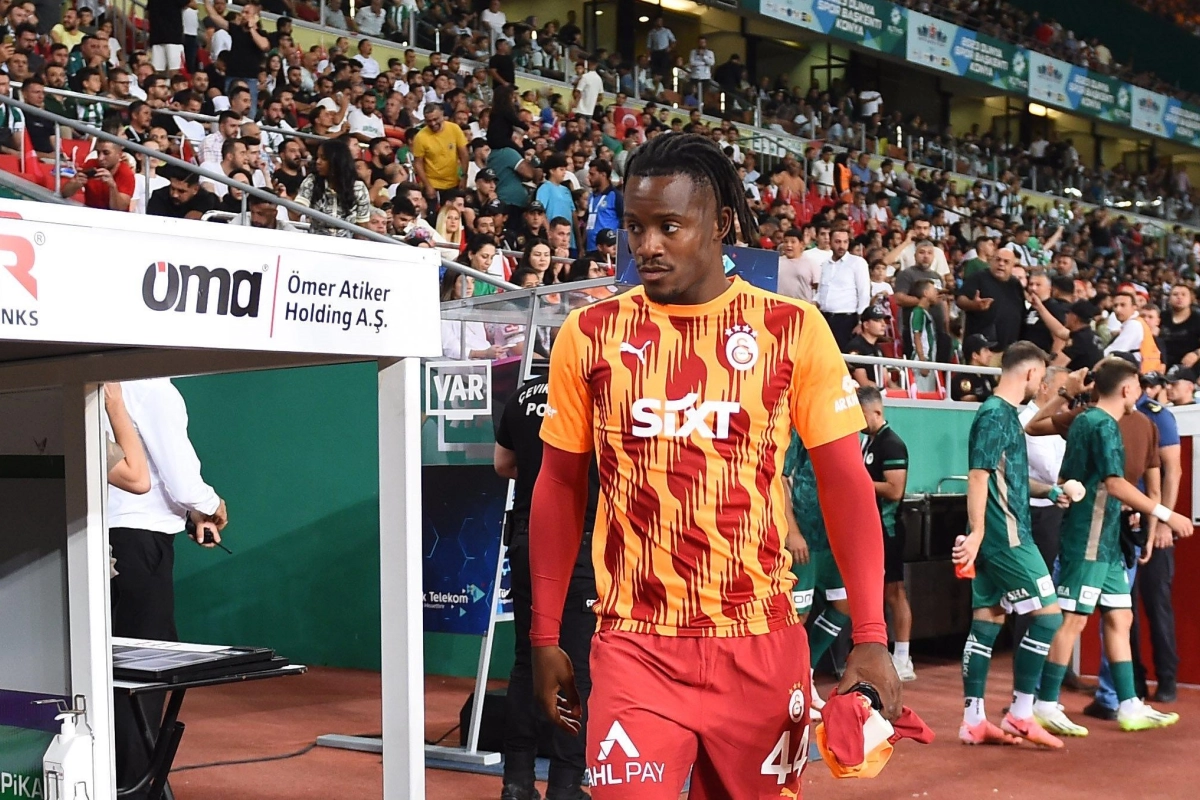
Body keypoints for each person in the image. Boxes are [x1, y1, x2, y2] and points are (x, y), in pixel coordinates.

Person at [528, 133, 898, 800]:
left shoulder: (792, 329)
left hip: (760, 644)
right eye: (634, 227)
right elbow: (558, 484)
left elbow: (847, 486)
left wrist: (870, 634)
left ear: (721, 223)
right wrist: (545, 633)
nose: (647, 245)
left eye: (669, 225)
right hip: (635, 644)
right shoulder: (588, 335)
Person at [1029, 357, 1191, 734]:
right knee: (1072, 620)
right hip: (1087, 536)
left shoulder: (1098, 421)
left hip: (1107, 540)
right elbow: (1115, 484)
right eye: (1136, 384)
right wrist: (1168, 514)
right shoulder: (1097, 423)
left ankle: (1129, 705)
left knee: (1121, 616)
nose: (1141, 390)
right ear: (1126, 388)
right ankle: (1046, 703)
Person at [108, 379, 228, 797]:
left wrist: (191, 511)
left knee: (106, 667)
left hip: (101, 539)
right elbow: (179, 477)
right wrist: (210, 505)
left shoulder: (108, 383)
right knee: (142, 668)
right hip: (141, 544)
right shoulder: (154, 387)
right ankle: (135, 786)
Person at [952, 341, 1067, 748]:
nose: (1043, 385)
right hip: (1006, 536)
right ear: (1032, 374)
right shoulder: (995, 415)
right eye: (1043, 377)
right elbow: (978, 476)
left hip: (999, 532)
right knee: (1049, 616)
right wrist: (980, 532)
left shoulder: (1004, 416)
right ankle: (1021, 712)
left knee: (988, 620)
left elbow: (1008, 477)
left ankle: (974, 721)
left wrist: (1050, 493)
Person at [495, 373, 599, 800]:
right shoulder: (595, 394)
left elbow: (503, 464)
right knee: (576, 666)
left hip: (525, 537)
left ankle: (517, 781)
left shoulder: (524, 393)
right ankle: (566, 783)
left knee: (527, 660)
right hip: (579, 542)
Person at [859, 387, 913, 681]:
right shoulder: (869, 442)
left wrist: (858, 482)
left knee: (894, 592)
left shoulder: (892, 444)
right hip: (872, 531)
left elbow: (895, 490)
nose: (858, 421)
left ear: (876, 412)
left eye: (861, 415)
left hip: (889, 530)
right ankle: (882, 653)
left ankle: (904, 658)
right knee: (879, 593)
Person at [292, 138, 371, 236]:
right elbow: (296, 213)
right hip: (316, 243)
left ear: (337, 161)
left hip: (346, 246)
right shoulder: (312, 181)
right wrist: (283, 199)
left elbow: (362, 229)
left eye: (323, 158)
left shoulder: (359, 188)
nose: (318, 162)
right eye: (317, 157)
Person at [957, 247, 1024, 350]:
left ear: (1012, 266)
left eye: (1006, 262)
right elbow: (960, 299)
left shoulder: (1015, 284)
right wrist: (974, 305)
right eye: (998, 259)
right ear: (991, 261)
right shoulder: (979, 277)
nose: (1001, 264)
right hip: (983, 349)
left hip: (1010, 349)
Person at [816, 228, 870, 348]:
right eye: (838, 242)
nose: (842, 246)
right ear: (830, 242)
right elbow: (821, 291)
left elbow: (864, 294)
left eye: (845, 242)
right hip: (824, 318)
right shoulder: (825, 264)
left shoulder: (857, 263)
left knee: (843, 358)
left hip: (846, 321)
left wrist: (861, 322)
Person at [412, 104, 469, 207]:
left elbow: (464, 154)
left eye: (435, 119)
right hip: (433, 184)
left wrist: (464, 176)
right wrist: (427, 185)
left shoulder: (454, 129)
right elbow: (418, 163)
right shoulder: (420, 137)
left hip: (454, 182)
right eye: (429, 121)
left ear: (442, 115)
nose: (433, 123)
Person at [1105, 291, 1163, 372]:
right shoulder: (1136, 323)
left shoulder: (1134, 325)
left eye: (1123, 305)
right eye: (1115, 306)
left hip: (1143, 375)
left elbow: (1113, 352)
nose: (1118, 309)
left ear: (1134, 307)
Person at [845, 304, 889, 387]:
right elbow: (863, 383)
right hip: (865, 397)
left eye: (883, 320)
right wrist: (884, 390)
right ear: (866, 325)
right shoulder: (855, 347)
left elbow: (887, 380)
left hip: (879, 393)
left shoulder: (878, 348)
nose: (884, 324)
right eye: (878, 320)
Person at [1056, 300, 1104, 370]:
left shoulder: (1080, 339)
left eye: (1068, 313)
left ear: (1074, 317)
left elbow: (1057, 366)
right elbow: (1059, 331)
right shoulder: (1092, 335)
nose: (1066, 315)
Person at [1161, 284, 1200, 368]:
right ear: (1169, 299)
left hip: (1188, 365)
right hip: (1162, 362)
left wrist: (1196, 354)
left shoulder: (1197, 319)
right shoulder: (1162, 316)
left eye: (1183, 294)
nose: (1179, 297)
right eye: (1175, 294)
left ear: (1190, 299)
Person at [952, 334, 997, 403]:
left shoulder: (987, 374)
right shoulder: (961, 378)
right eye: (985, 350)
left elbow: (998, 392)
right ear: (974, 355)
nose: (990, 354)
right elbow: (968, 399)